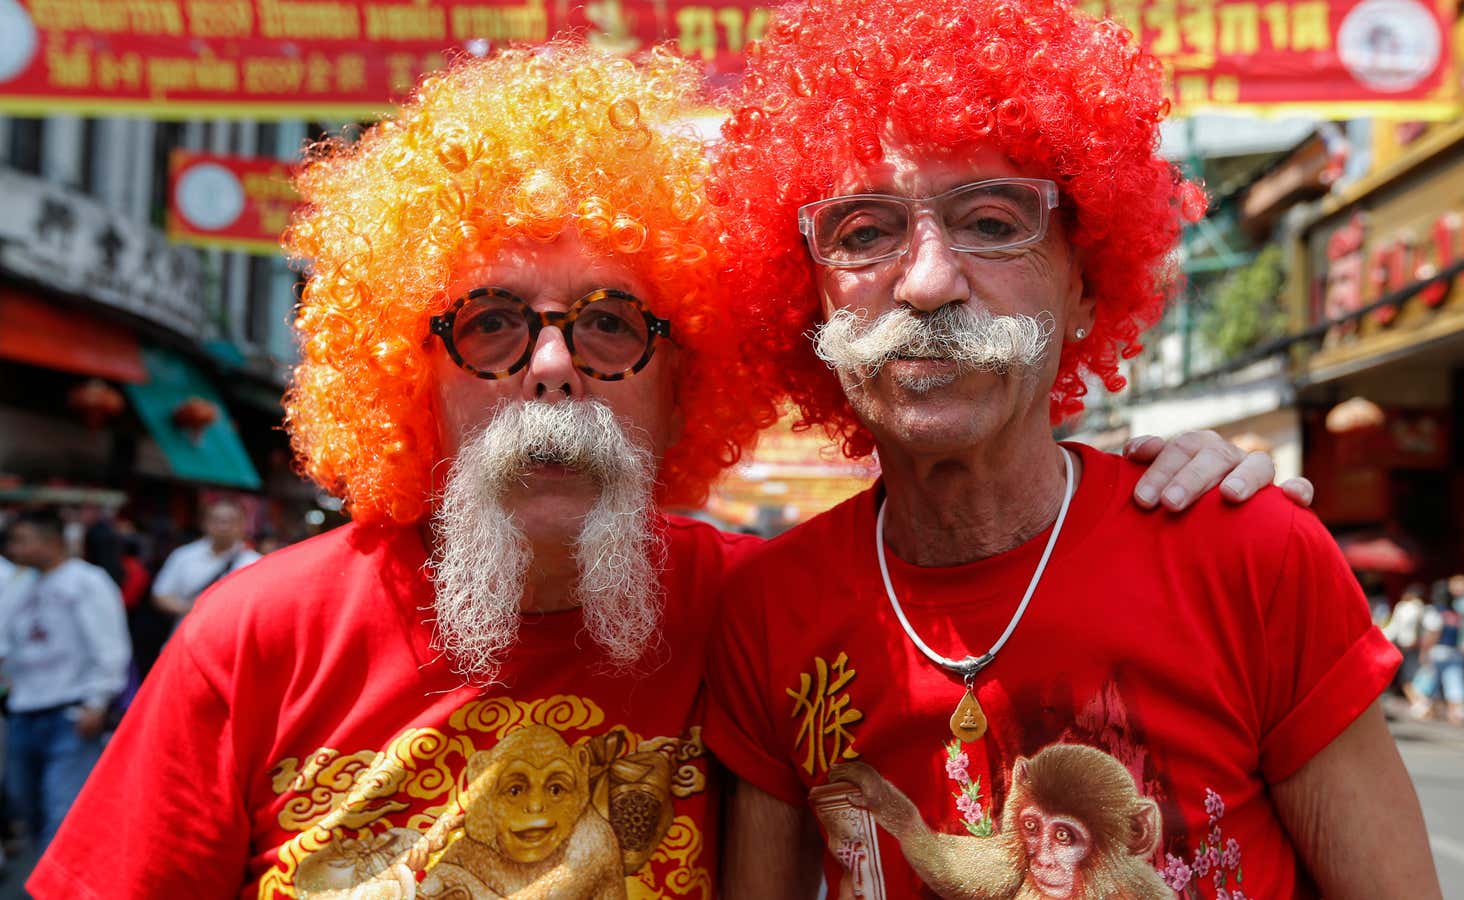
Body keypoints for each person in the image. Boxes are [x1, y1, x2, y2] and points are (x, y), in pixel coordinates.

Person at [30, 44, 1294, 900]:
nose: (549, 370)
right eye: (487, 322)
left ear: (689, 374)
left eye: (611, 325)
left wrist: (1166, 481)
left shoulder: (767, 612)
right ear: (407, 368)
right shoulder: (257, 631)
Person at [703, 2, 1439, 897]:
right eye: (864, 233)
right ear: (808, 300)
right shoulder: (766, 610)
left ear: (1086, 286)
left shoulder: (1250, 550)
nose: (928, 281)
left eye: (990, 221)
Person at [0, 509, 131, 849]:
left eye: (22, 540)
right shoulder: (15, 583)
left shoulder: (86, 581)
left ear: (51, 542)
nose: (14, 549)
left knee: (63, 811)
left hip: (70, 714)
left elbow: (110, 646)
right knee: (26, 805)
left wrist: (97, 701)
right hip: (24, 709)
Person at [149, 499, 261, 620]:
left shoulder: (255, 563)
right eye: (217, 520)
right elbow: (160, 595)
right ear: (205, 523)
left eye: (231, 521)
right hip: (186, 633)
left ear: (243, 524)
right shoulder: (184, 555)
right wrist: (193, 609)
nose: (224, 527)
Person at [1412, 581, 1464, 723]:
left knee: (1428, 682)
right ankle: (1456, 713)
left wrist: (1424, 651)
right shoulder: (1455, 614)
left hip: (1437, 651)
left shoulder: (1435, 611)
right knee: (1454, 682)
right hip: (1454, 651)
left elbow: (1433, 633)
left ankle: (1426, 709)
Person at [1386, 582, 1428, 700]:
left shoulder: (1405, 607)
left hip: (1405, 645)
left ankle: (1419, 703)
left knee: (1407, 676)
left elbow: (1395, 628)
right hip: (1413, 646)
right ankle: (1420, 702)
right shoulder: (1423, 608)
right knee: (1413, 674)